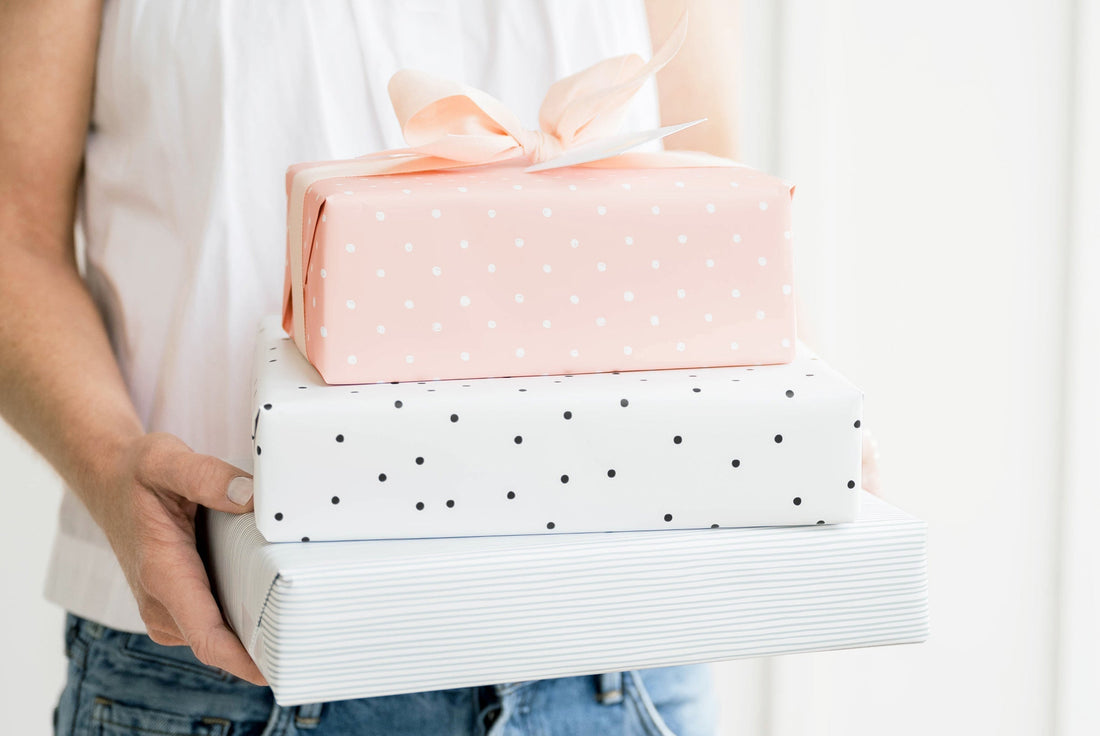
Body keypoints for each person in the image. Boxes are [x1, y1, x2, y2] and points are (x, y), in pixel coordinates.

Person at [1, 1, 875, 734]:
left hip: (621, 659)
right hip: (226, 653)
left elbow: (710, 212)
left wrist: (801, 425)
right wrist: (112, 464)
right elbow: (13, 229)